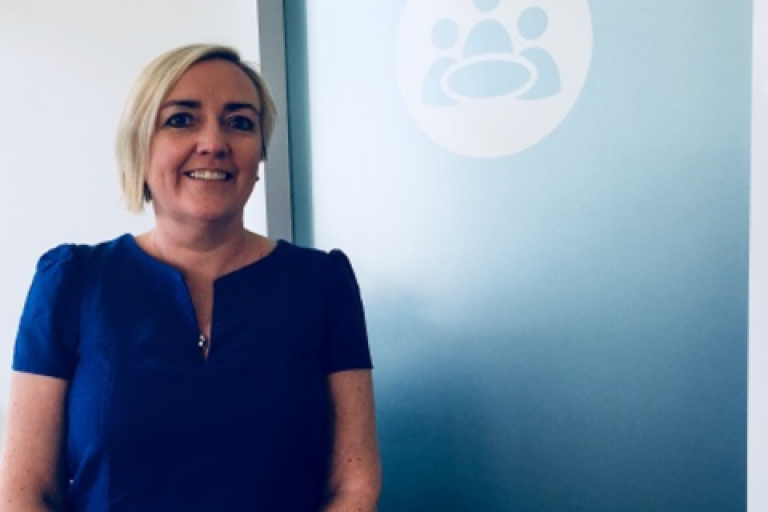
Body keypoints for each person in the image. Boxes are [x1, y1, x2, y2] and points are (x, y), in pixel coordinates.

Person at [0, 44, 380, 511]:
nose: (214, 143)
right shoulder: (71, 283)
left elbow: (355, 485)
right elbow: (25, 492)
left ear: (260, 156)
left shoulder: (324, 285)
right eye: (181, 119)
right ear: (139, 146)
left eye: (240, 122)